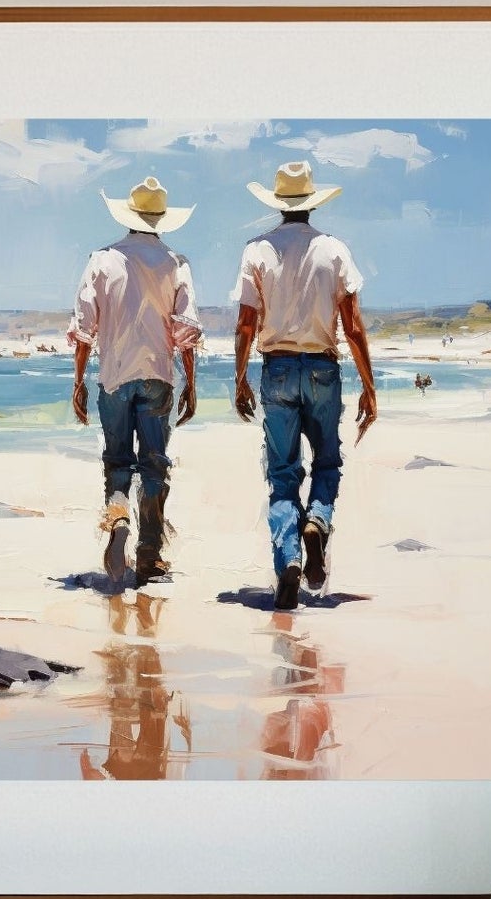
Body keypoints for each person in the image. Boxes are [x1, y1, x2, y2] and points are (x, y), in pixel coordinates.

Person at [233, 162, 378, 610]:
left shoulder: (256, 250)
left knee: (281, 476)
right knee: (327, 464)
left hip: (275, 367)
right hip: (322, 368)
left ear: (279, 205)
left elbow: (245, 323)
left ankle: (290, 560)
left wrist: (239, 377)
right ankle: (317, 521)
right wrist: (369, 386)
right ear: (312, 204)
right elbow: (352, 325)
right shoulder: (334, 250)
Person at [68, 176, 200, 586]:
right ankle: (149, 555)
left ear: (127, 216)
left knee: (117, 461)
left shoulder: (102, 260)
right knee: (155, 465)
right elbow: (185, 332)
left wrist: (78, 382)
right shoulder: (175, 264)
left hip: (114, 377)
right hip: (158, 376)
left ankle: (118, 512)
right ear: (160, 219)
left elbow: (85, 329)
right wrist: (191, 382)